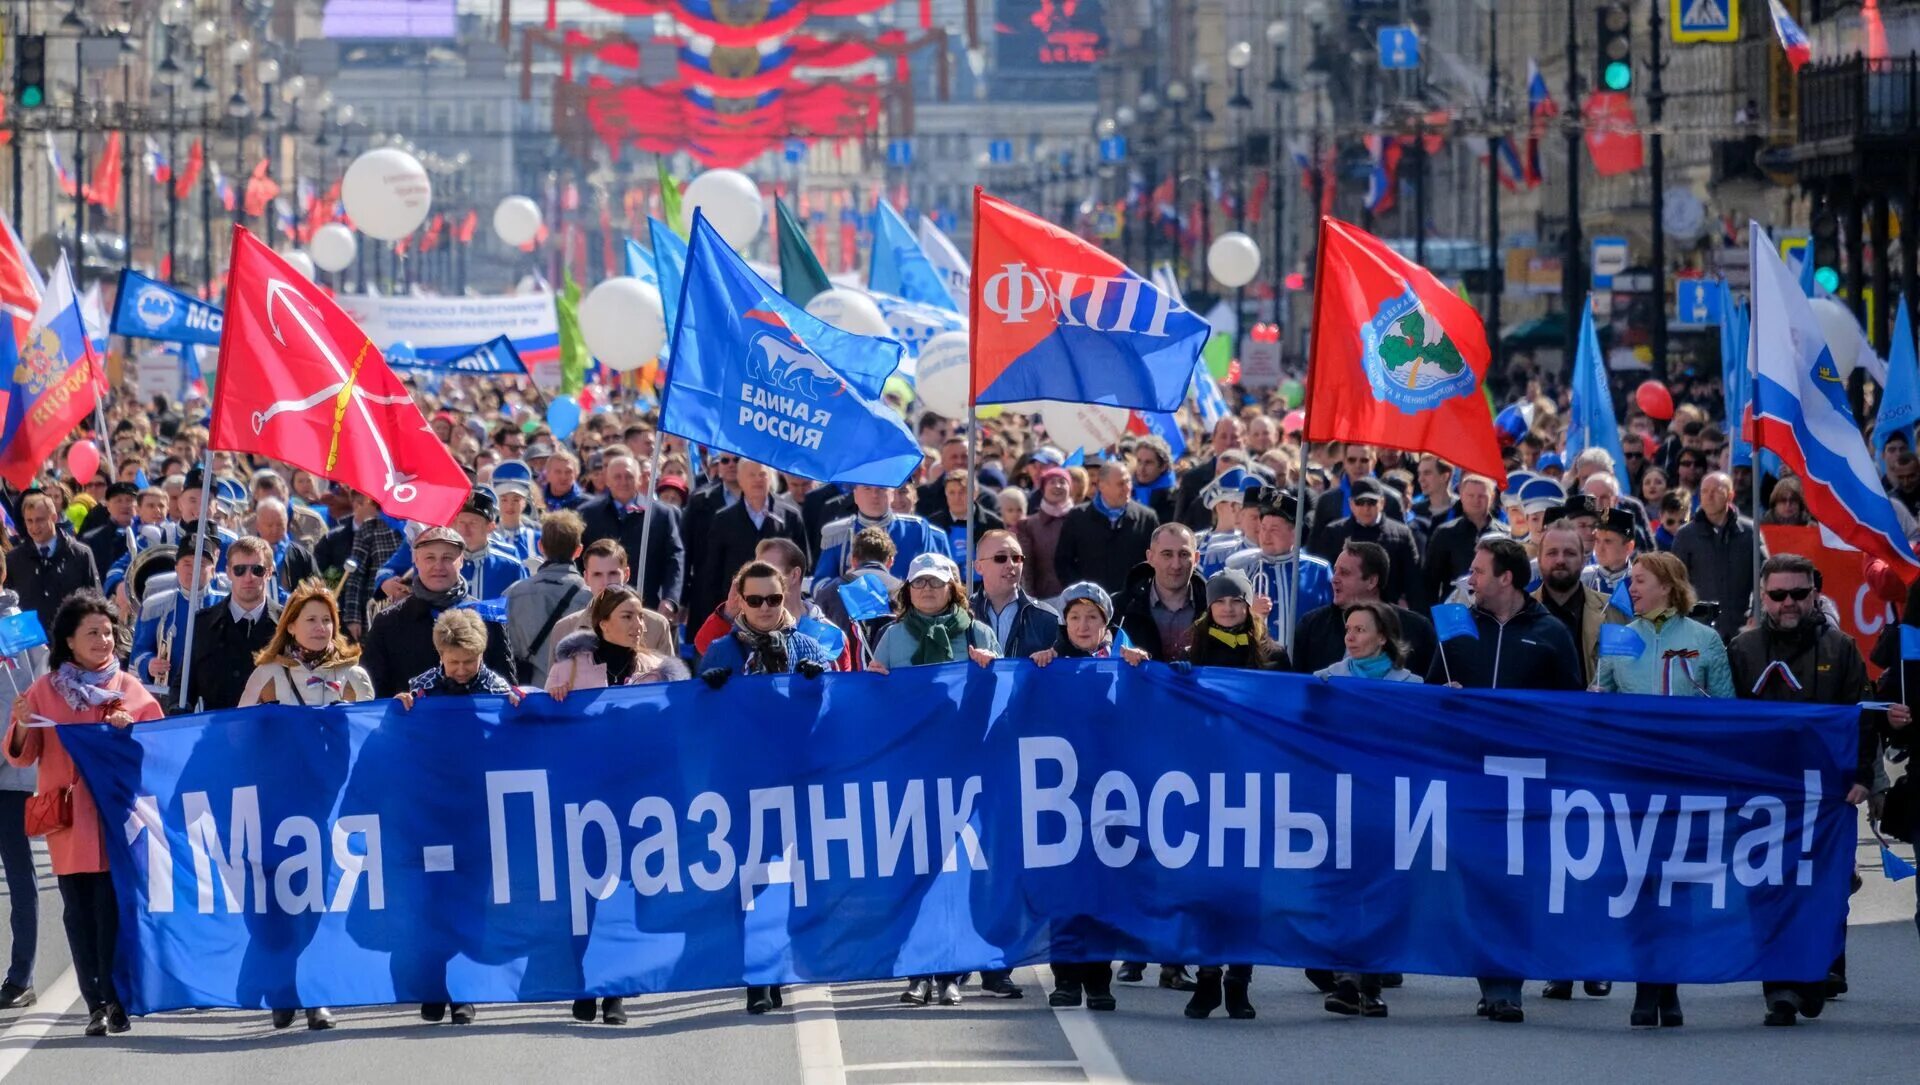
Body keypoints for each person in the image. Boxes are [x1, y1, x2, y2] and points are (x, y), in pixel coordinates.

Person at [1727, 554, 1896, 1026]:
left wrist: (1865, 776)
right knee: (1769, 884)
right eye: (1778, 595)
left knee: (1825, 883)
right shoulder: (1743, 649)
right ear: (1763, 597)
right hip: (1765, 792)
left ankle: (1819, 967)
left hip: (1828, 792)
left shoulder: (1841, 648)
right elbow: (1728, 722)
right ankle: (1779, 985)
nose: (1788, 603)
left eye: (1798, 594)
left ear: (1814, 594)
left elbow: (1861, 716)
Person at [1427, 538, 1581, 1023]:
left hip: (1528, 780)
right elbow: (1429, 695)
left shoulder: (1552, 632)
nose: (1470, 579)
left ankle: (1506, 982)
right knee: (1476, 878)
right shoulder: (1455, 628)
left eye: (1477, 571)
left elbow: (1572, 709)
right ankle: (1494, 979)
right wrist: (1443, 697)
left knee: (1516, 881)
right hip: (1469, 775)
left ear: (1506, 578)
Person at [5, 593, 164, 1036]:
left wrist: (128, 728)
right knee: (78, 912)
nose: (102, 640)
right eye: (92, 632)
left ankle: (117, 998)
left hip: (117, 821)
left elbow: (158, 746)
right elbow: (22, 757)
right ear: (70, 641)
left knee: (113, 910)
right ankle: (95, 1002)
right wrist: (20, 723)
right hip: (69, 822)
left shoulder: (129, 689)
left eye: (108, 632)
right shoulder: (42, 690)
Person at [1584, 551, 1731, 1029]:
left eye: (1641, 580)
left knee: (1679, 887)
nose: (1633, 589)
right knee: (1641, 885)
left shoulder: (1705, 640)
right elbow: (1600, 701)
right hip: (1634, 785)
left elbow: (1728, 714)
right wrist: (1594, 702)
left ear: (1668, 585)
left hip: (1686, 785)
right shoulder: (1620, 638)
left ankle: (1670, 987)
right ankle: (1647, 985)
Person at [695, 560, 833, 1015]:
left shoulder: (808, 645)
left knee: (795, 877)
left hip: (796, 779)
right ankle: (757, 975)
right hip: (742, 782)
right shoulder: (720, 650)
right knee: (749, 878)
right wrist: (710, 691)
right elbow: (701, 723)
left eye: (773, 598)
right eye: (754, 600)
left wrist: (821, 686)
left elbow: (835, 717)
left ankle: (783, 963)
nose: (765, 608)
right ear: (740, 600)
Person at [235, 580, 371, 1032]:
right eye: (309, 619)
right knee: (278, 902)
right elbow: (239, 736)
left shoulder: (353, 675)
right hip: (278, 804)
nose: (319, 627)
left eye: (326, 620)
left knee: (319, 900)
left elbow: (371, 734)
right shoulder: (270, 675)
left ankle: (313, 993)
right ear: (290, 626)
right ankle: (280, 983)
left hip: (331, 803)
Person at [392, 608, 523, 1026]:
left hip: (478, 814)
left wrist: (520, 711)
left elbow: (512, 740)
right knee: (432, 902)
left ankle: (464, 992)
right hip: (431, 813)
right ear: (440, 656)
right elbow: (397, 741)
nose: (463, 670)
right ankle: (435, 986)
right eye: (454, 662)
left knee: (470, 903)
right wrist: (398, 712)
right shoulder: (422, 689)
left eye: (470, 661)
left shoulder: (497, 688)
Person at [1032, 581, 1148, 1012]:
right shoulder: (1047, 663)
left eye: (1093, 617)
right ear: (1064, 621)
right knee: (1065, 888)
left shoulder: (1124, 662)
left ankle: (1099, 980)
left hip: (1112, 794)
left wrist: (1139, 667)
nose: (1083, 625)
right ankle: (1066, 977)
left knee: (1103, 888)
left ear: (1107, 624)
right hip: (1061, 797)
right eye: (1075, 617)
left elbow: (1148, 709)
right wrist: (1034, 671)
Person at [361, 527, 517, 697]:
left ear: (461, 561)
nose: (438, 566)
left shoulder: (487, 617)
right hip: (411, 722)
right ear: (416, 560)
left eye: (447, 558)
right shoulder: (388, 622)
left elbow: (508, 691)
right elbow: (370, 692)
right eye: (430, 558)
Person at [0, 550, 47, 1012]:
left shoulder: (18, 625)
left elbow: (38, 690)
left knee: (19, 875)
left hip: (11, 771)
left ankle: (21, 975)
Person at [686, 459, 809, 635]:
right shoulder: (723, 520)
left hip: (779, 613)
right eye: (751, 475)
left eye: (762, 474)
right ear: (741, 480)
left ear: (771, 479)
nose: (757, 479)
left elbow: (804, 566)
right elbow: (711, 574)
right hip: (737, 617)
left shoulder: (790, 516)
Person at [1290, 541, 1436, 678]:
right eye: (1335, 571)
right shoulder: (1312, 625)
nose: (1334, 579)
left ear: (1372, 581)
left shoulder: (1417, 629)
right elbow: (1295, 683)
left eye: (1344, 573)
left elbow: (1433, 687)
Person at [178, 536, 282, 711]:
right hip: (217, 732)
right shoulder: (202, 624)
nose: (248, 578)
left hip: (271, 732)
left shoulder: (289, 624)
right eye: (239, 570)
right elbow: (183, 687)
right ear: (228, 572)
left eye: (257, 570)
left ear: (269, 572)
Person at [577, 451, 685, 615]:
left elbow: (674, 558)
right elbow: (579, 558)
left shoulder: (661, 514)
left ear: (639, 478)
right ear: (607, 480)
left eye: (628, 476)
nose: (623, 482)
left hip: (649, 607)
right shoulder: (587, 514)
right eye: (617, 477)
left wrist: (670, 599)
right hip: (599, 608)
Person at [546, 538, 675, 667]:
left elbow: (670, 681)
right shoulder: (564, 629)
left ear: (626, 574)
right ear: (586, 578)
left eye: (613, 573)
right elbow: (555, 683)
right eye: (597, 574)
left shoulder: (657, 626)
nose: (606, 582)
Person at [1227, 494, 1332, 651]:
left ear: (1294, 533)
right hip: (1254, 661)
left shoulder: (1318, 570)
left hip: (1304, 663)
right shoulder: (1239, 567)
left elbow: (1331, 620)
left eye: (1274, 530)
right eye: (1263, 528)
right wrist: (1246, 610)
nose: (1266, 536)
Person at [869, 554, 999, 675]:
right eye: (918, 581)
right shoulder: (892, 636)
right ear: (908, 591)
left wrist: (993, 664)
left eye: (936, 581)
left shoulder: (979, 633)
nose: (927, 588)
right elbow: (875, 692)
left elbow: (1003, 683)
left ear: (951, 590)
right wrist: (874, 677)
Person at [131, 533, 225, 699]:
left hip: (215, 698)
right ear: (176, 568)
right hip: (167, 695)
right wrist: (149, 664)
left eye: (201, 564)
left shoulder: (226, 605)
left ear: (213, 571)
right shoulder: (155, 606)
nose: (193, 570)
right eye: (187, 564)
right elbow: (139, 651)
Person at [1672, 471, 1763, 641]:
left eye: (1716, 491)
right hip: (1699, 628)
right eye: (1704, 491)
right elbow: (1676, 582)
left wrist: (1757, 612)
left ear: (1730, 495)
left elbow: (1764, 577)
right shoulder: (1686, 535)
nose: (1709, 496)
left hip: (1742, 627)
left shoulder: (1749, 533)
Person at [505, 510, 592, 687]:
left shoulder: (513, 593)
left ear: (540, 546)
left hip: (525, 694)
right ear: (578, 550)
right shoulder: (591, 597)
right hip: (575, 693)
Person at [1307, 476, 1421, 608]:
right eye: (1360, 502)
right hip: (1345, 610)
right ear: (1351, 504)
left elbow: (1413, 580)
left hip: (1389, 610)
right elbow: (1323, 578)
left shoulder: (1401, 534)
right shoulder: (1334, 532)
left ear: (1382, 503)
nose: (1366, 508)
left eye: (1372, 502)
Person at [1055, 461, 1161, 596]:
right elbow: (1063, 562)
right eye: (1121, 484)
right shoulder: (1077, 517)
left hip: (1133, 604)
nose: (1127, 488)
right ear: (1102, 486)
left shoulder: (1147, 518)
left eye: (1128, 482)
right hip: (1089, 604)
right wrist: (1080, 593)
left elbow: (1156, 561)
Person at [814, 483, 952, 583]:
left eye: (882, 488)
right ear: (855, 495)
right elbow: (821, 584)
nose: (874, 495)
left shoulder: (916, 529)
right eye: (867, 488)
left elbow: (936, 576)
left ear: (892, 494)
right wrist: (844, 583)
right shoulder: (836, 533)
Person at [10, 491, 101, 632]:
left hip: (71, 639)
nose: (34, 527)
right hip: (31, 645)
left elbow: (95, 599)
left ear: (54, 518)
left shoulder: (80, 554)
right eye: (29, 521)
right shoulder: (14, 559)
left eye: (40, 520)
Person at [971, 529, 1060, 658]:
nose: (1010, 564)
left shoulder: (1047, 617)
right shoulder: (962, 614)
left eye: (1016, 558)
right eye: (1000, 558)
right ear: (978, 567)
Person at [1421, 474, 1503, 609]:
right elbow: (1429, 582)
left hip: (1495, 611)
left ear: (1492, 497)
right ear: (1461, 496)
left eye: (1482, 496)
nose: (1476, 500)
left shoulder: (1503, 535)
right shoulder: (1445, 533)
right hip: (1455, 611)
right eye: (1470, 495)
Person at [1015, 466, 1075, 599]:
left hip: (1077, 598)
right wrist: (1029, 599)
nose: (1057, 486)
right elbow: (1026, 568)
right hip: (1044, 598)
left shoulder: (1081, 520)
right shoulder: (1029, 525)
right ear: (1043, 488)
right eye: (1052, 482)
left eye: (1062, 482)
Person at [1579, 508, 1637, 596]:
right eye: (1597, 540)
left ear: (1629, 547)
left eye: (1608, 541)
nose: (1599, 548)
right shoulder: (1582, 579)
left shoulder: (1639, 582)